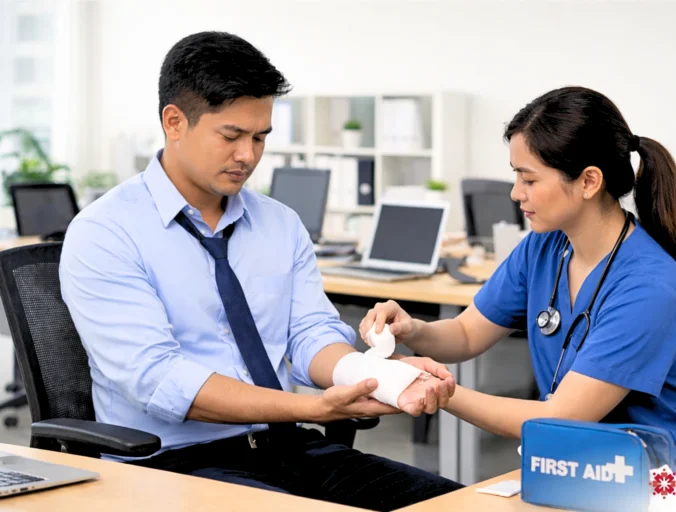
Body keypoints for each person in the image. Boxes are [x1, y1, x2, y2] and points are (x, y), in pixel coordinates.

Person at [59, 31, 463, 511]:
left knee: (460, 505)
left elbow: (310, 334)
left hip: (288, 447)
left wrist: (374, 375)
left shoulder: (279, 223)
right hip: (173, 464)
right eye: (231, 136)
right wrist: (311, 408)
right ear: (174, 122)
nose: (248, 155)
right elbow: (160, 379)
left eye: (260, 137)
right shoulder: (106, 232)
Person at [360, 86, 676, 488]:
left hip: (665, 485)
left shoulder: (649, 285)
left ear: (589, 181)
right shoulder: (544, 247)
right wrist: (414, 330)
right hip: (581, 468)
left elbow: (561, 418)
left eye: (528, 179)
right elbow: (466, 334)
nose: (516, 193)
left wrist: (439, 390)